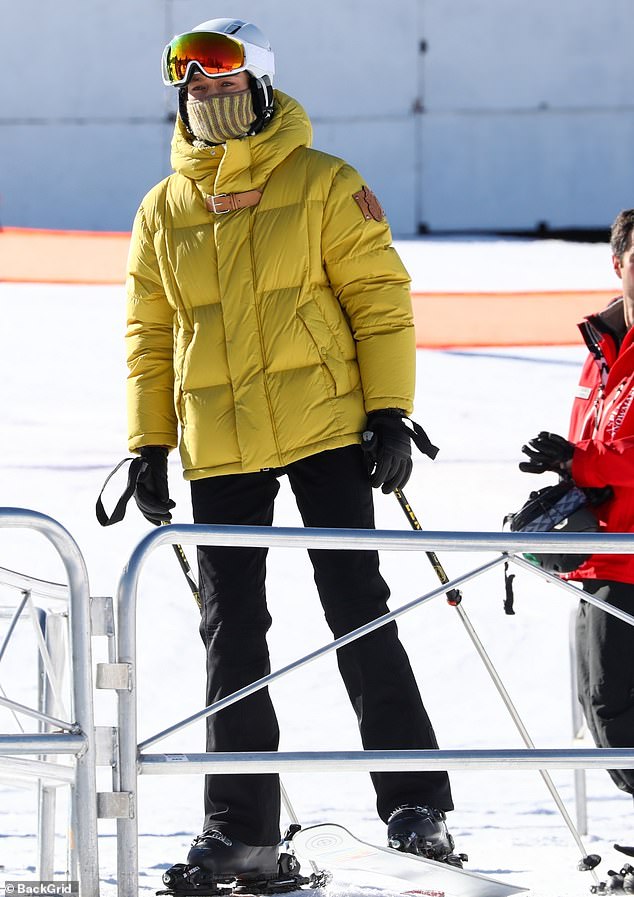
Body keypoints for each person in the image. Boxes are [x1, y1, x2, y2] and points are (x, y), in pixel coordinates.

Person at [126, 17, 457, 885]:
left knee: (358, 607)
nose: (207, 96)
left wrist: (389, 411)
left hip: (327, 426)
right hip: (220, 443)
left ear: (261, 86)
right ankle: (239, 827)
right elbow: (149, 337)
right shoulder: (163, 210)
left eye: (225, 83)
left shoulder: (322, 183)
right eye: (193, 87)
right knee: (231, 634)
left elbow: (381, 300)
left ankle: (415, 801)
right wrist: (149, 443)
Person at [519, 208, 634, 805]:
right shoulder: (602, 346)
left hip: (628, 562)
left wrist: (579, 461)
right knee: (607, 711)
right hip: (603, 559)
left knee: (617, 716)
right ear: (618, 265)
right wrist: (562, 471)